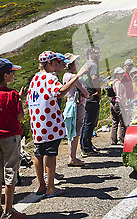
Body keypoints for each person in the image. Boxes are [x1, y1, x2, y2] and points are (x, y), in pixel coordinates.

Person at [27, 51, 88, 199]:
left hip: (37, 123)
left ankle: (41, 185)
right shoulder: (50, 77)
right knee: (50, 154)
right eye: (55, 63)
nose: (57, 65)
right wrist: (78, 76)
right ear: (49, 63)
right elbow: (60, 92)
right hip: (50, 123)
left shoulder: (35, 78)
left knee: (38, 153)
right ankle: (50, 187)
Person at [0, 58, 26, 219]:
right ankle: (10, 210)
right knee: (11, 173)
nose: (13, 75)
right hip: (11, 137)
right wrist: (20, 100)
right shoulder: (12, 94)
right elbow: (20, 117)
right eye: (12, 72)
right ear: (5, 75)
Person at [62, 53, 90, 167]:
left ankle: (71, 156)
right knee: (76, 131)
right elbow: (85, 93)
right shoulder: (73, 77)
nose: (78, 64)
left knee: (71, 131)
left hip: (70, 103)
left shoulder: (65, 76)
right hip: (77, 105)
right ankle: (72, 157)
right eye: (76, 62)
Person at [80, 46, 101, 157]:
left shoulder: (85, 65)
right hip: (92, 96)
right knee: (90, 122)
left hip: (85, 96)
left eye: (99, 53)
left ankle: (85, 145)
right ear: (90, 54)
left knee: (86, 122)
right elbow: (94, 78)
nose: (98, 55)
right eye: (96, 53)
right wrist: (98, 91)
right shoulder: (93, 65)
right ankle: (87, 147)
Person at [110, 67, 128, 145]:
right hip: (118, 103)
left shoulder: (113, 82)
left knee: (114, 122)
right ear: (116, 74)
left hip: (112, 103)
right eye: (120, 73)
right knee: (123, 122)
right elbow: (119, 95)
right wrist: (124, 104)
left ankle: (113, 140)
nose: (122, 75)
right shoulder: (118, 83)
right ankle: (122, 139)